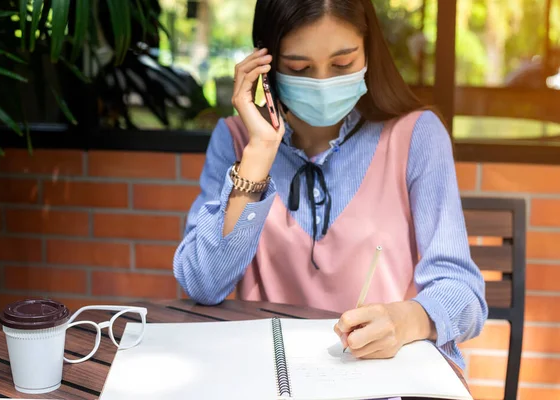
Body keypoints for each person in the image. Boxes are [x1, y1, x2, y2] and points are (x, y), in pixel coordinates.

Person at [173, 0, 487, 372]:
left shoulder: (417, 135)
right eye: (299, 68)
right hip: (274, 376)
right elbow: (203, 284)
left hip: (387, 378)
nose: (322, 83)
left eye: (342, 64)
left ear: (368, 52)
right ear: (266, 65)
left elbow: (463, 295)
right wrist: (259, 153)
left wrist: (404, 321)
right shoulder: (237, 142)